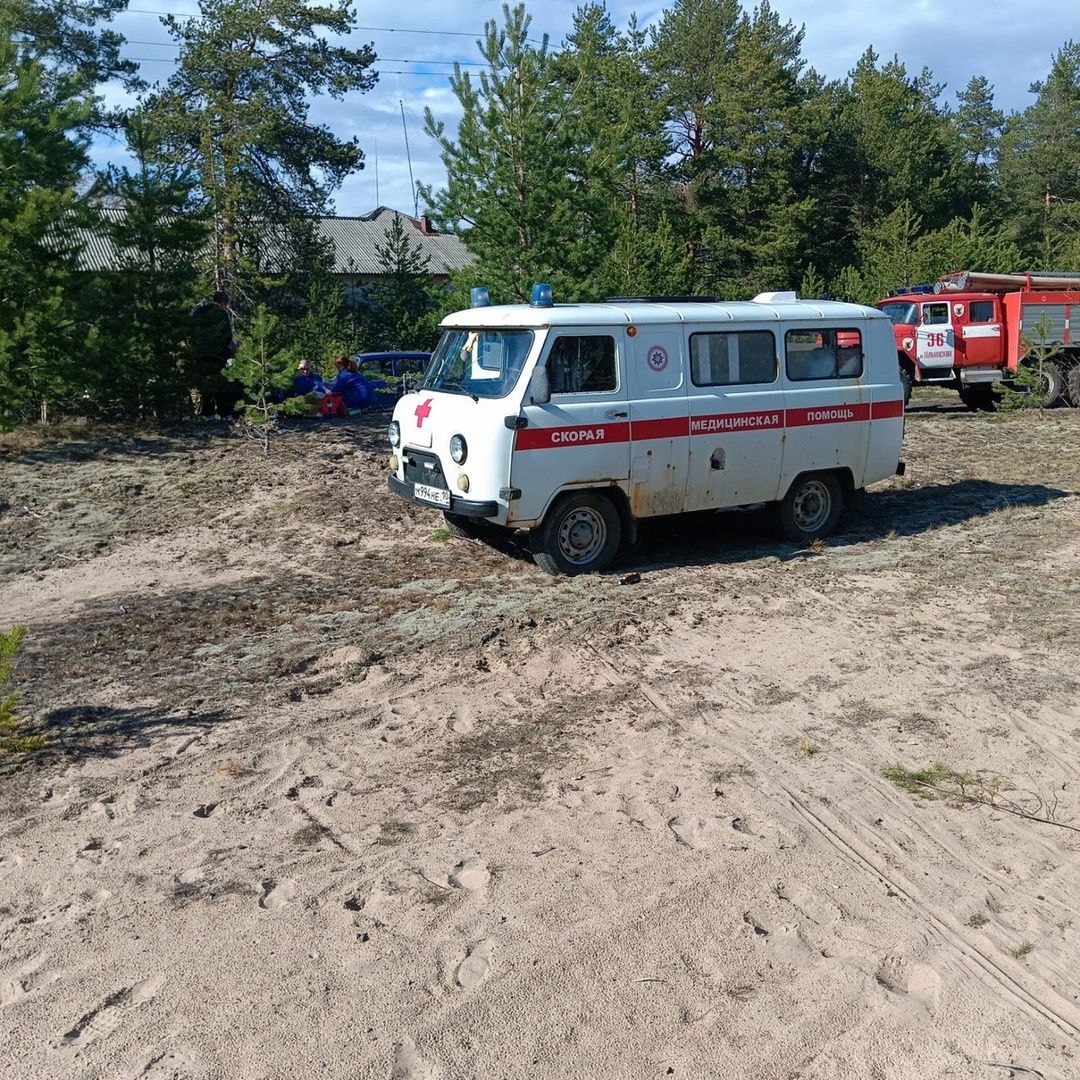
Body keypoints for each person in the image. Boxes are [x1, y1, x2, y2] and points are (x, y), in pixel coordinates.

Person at [189, 290, 240, 417]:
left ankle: (207, 412)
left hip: (200, 354)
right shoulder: (222, 314)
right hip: (218, 354)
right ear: (223, 303)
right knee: (220, 383)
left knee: (204, 384)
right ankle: (223, 412)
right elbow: (227, 336)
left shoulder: (198, 312)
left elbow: (191, 331)